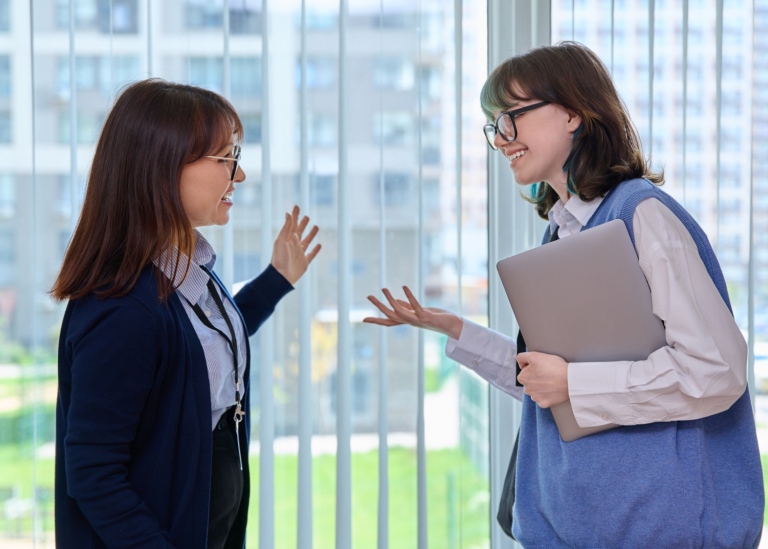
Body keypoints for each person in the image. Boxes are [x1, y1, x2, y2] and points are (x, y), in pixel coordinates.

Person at [364, 42, 764, 548]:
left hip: (659, 527)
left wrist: (575, 383)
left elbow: (716, 372)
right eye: (495, 125)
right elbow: (551, 382)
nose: (501, 138)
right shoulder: (562, 233)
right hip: (575, 524)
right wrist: (455, 330)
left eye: (511, 117)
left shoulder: (643, 215)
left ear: (574, 112)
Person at [51, 79, 321, 549]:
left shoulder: (185, 266)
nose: (239, 176)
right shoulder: (119, 307)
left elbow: (201, 346)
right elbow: (94, 475)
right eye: (227, 158)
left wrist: (276, 279)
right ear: (163, 165)